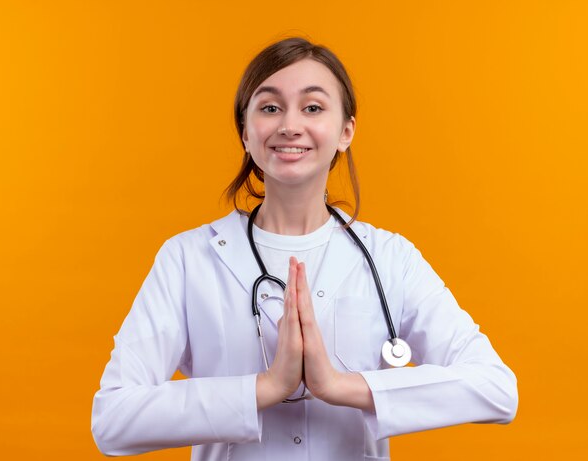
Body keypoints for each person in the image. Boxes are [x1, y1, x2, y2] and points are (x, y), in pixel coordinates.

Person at [91, 37, 518, 460]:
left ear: (345, 131)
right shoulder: (187, 259)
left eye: (312, 107)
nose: (289, 125)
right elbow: (112, 419)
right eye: (270, 107)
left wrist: (340, 386)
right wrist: (266, 387)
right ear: (245, 131)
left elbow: (496, 389)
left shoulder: (392, 258)